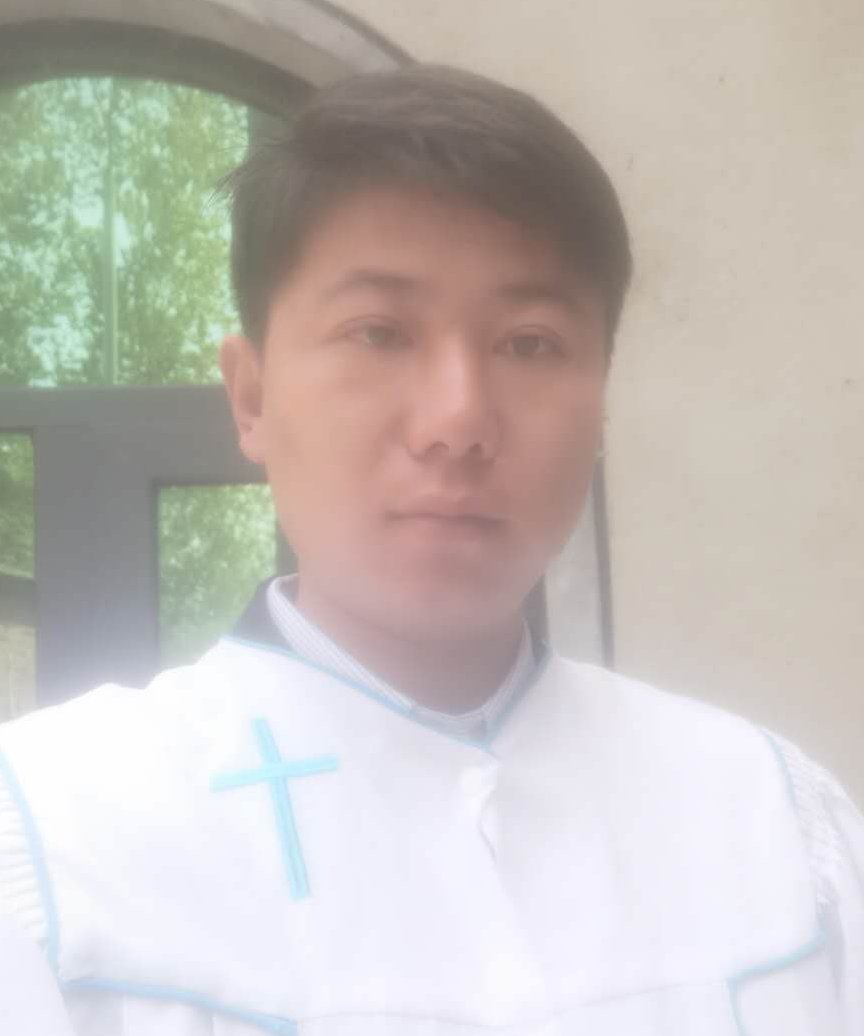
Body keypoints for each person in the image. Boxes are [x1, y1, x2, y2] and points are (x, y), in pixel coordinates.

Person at [0, 64, 861, 1036]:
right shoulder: (58, 844)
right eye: (378, 333)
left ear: (601, 408)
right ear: (252, 397)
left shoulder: (772, 824)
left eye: (530, 343)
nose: (457, 421)